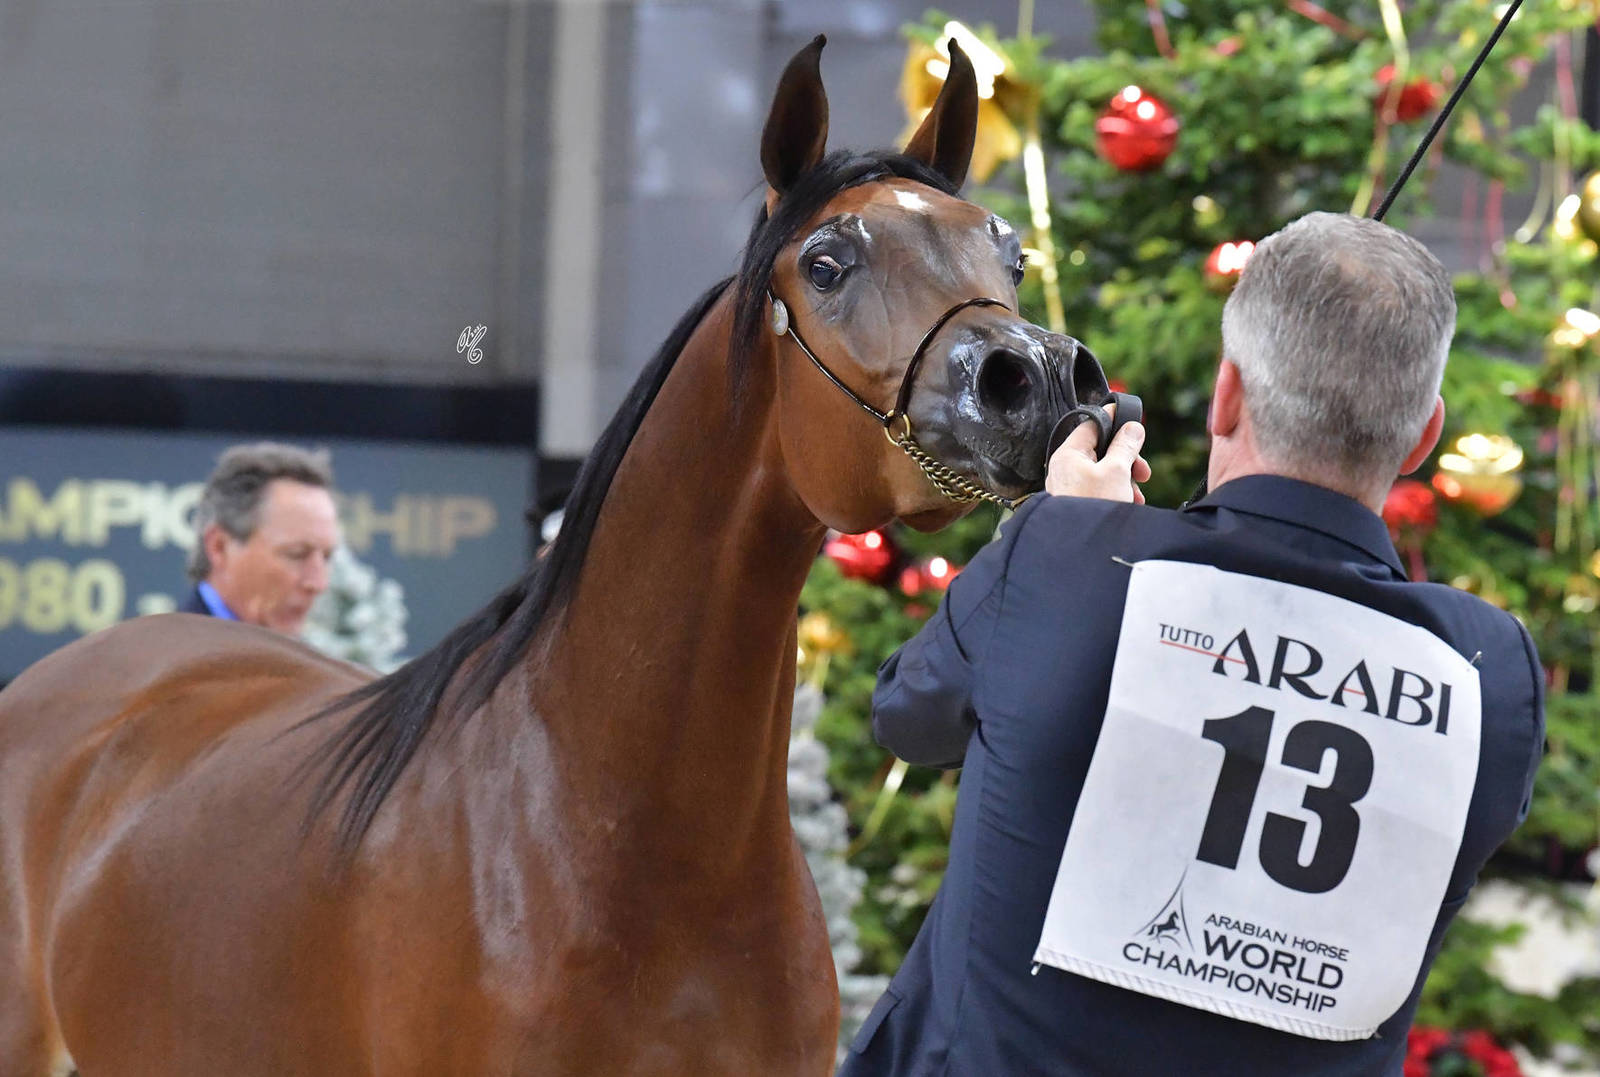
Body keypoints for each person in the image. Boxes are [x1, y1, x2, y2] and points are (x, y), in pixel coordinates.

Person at [839, 212, 1544, 1076]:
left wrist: (1072, 532)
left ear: (1228, 395)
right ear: (1425, 436)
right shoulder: (1490, 673)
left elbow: (909, 715)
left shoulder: (1064, 560)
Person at [179, 442, 341, 636]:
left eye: (326, 557)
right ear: (219, 547)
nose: (318, 583)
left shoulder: (295, 659)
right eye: (297, 554)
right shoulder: (171, 658)